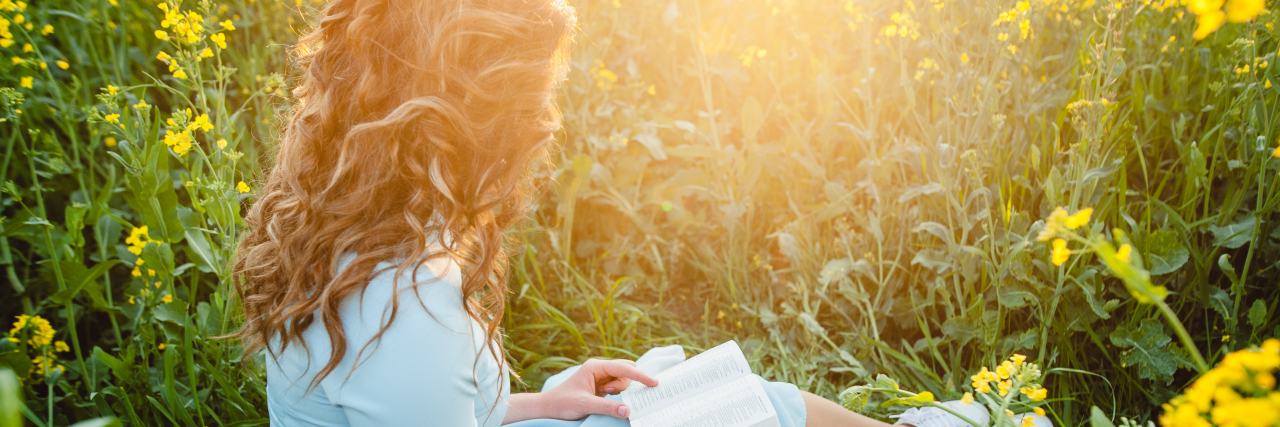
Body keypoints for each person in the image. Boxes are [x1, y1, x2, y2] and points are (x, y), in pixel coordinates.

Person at [230, 0, 902, 426]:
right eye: (535, 102)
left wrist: (541, 402)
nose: (546, 126)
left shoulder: (347, 224)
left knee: (732, 400)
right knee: (745, 413)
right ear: (478, 119)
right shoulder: (407, 304)